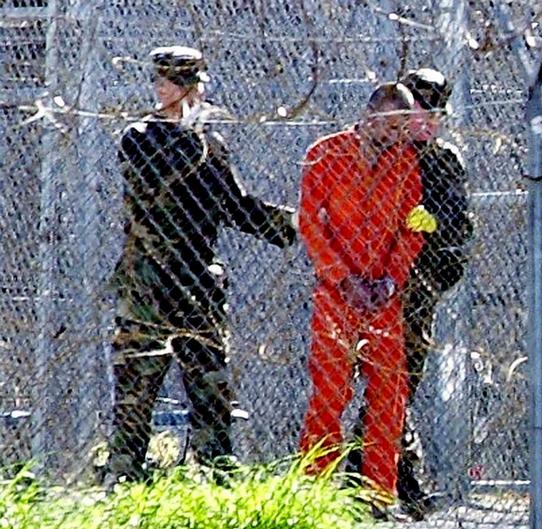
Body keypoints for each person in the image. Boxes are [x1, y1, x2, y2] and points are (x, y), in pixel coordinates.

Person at [105, 46, 296, 484]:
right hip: (148, 281)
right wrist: (192, 138)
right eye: (167, 84)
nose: (166, 90)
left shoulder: (209, 143)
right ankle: (125, 476)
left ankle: (219, 476)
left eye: (177, 84)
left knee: (210, 387)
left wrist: (292, 225)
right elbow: (156, 195)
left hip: (197, 282)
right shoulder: (141, 138)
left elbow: (233, 205)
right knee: (137, 389)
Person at [297, 82, 432, 513]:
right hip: (339, 297)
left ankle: (377, 496)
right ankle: (313, 495)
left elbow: (413, 227)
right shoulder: (326, 154)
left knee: (388, 395)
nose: (397, 134)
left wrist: (391, 279)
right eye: (391, 125)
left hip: (382, 298)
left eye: (403, 127)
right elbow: (310, 223)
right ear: (370, 115)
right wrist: (341, 277)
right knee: (330, 395)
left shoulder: (405, 162)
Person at [346, 68, 473, 520]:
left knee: (398, 386)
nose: (430, 120)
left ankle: (386, 481)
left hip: (415, 289)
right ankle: (375, 480)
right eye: (422, 108)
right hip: (366, 287)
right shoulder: (375, 153)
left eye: (435, 111)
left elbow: (457, 226)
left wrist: (429, 229)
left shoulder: (441, 160)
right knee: (386, 386)